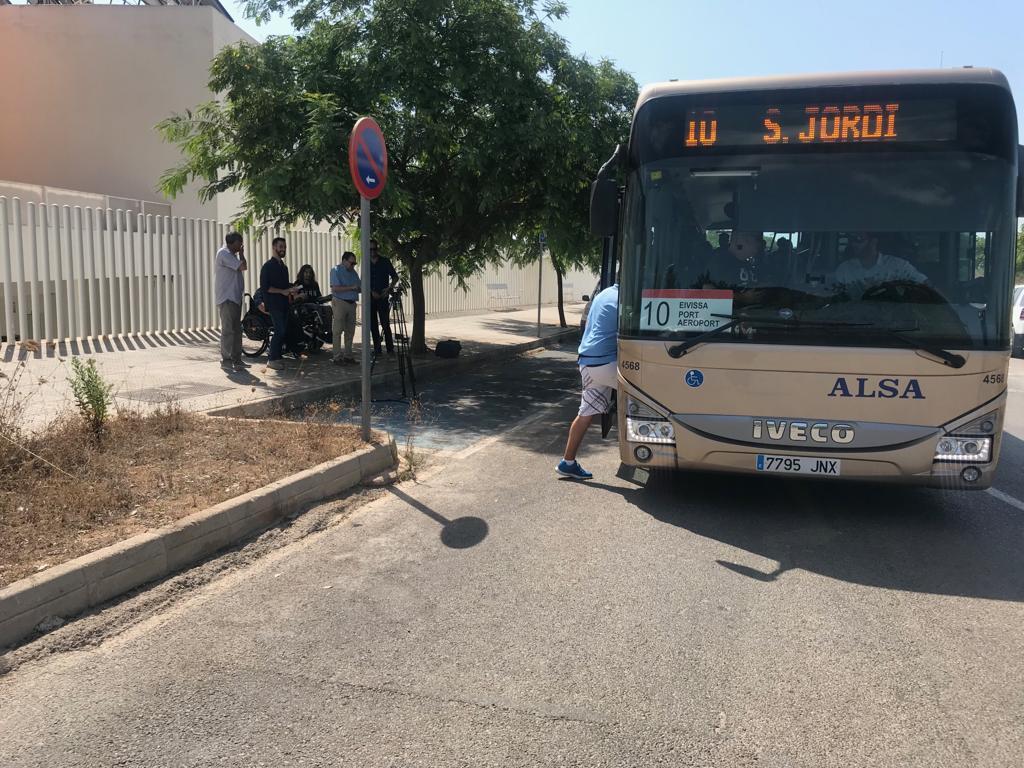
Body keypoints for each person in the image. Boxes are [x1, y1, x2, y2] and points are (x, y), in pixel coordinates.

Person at [557, 281, 619, 480]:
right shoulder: (625, 301)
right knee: (646, 394)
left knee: (585, 413)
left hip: (587, 362)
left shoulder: (604, 294)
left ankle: (568, 463)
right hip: (605, 362)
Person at [834, 232, 927, 298]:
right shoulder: (844, 269)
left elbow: (927, 286)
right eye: (851, 240)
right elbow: (833, 297)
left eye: (858, 239)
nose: (853, 244)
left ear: (873, 242)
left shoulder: (899, 266)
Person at [259, 237, 301, 370]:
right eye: (280, 246)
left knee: (282, 331)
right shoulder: (267, 266)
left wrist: (292, 290)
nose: (283, 249)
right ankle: (271, 359)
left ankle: (277, 357)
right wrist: (283, 291)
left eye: (284, 247)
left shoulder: (284, 267)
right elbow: (265, 287)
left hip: (284, 304)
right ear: (274, 247)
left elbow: (284, 286)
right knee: (279, 330)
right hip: (273, 304)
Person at [214, 232, 248, 372]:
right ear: (232, 242)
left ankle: (237, 358)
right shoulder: (224, 254)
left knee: (237, 330)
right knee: (228, 330)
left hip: (235, 297)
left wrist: (240, 254)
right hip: (227, 298)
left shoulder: (232, 255)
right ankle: (226, 359)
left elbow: (242, 266)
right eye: (239, 243)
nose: (241, 246)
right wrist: (241, 254)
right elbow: (243, 267)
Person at [368, 239, 400, 356]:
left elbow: (395, 277)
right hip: (370, 298)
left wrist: (389, 288)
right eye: (370, 249)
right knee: (373, 325)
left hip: (383, 297)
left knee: (385, 323)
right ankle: (377, 349)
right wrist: (371, 292)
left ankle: (390, 349)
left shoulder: (385, 261)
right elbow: (363, 281)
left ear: (377, 249)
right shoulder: (366, 262)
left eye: (374, 249)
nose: (372, 251)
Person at [329, 251, 360, 365]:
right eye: (351, 263)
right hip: (340, 302)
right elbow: (335, 288)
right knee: (337, 331)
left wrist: (360, 288)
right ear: (344, 261)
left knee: (350, 331)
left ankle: (348, 355)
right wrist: (352, 287)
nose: (353, 266)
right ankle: (337, 357)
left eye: (354, 264)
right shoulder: (335, 270)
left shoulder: (354, 273)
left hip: (352, 303)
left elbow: (360, 287)